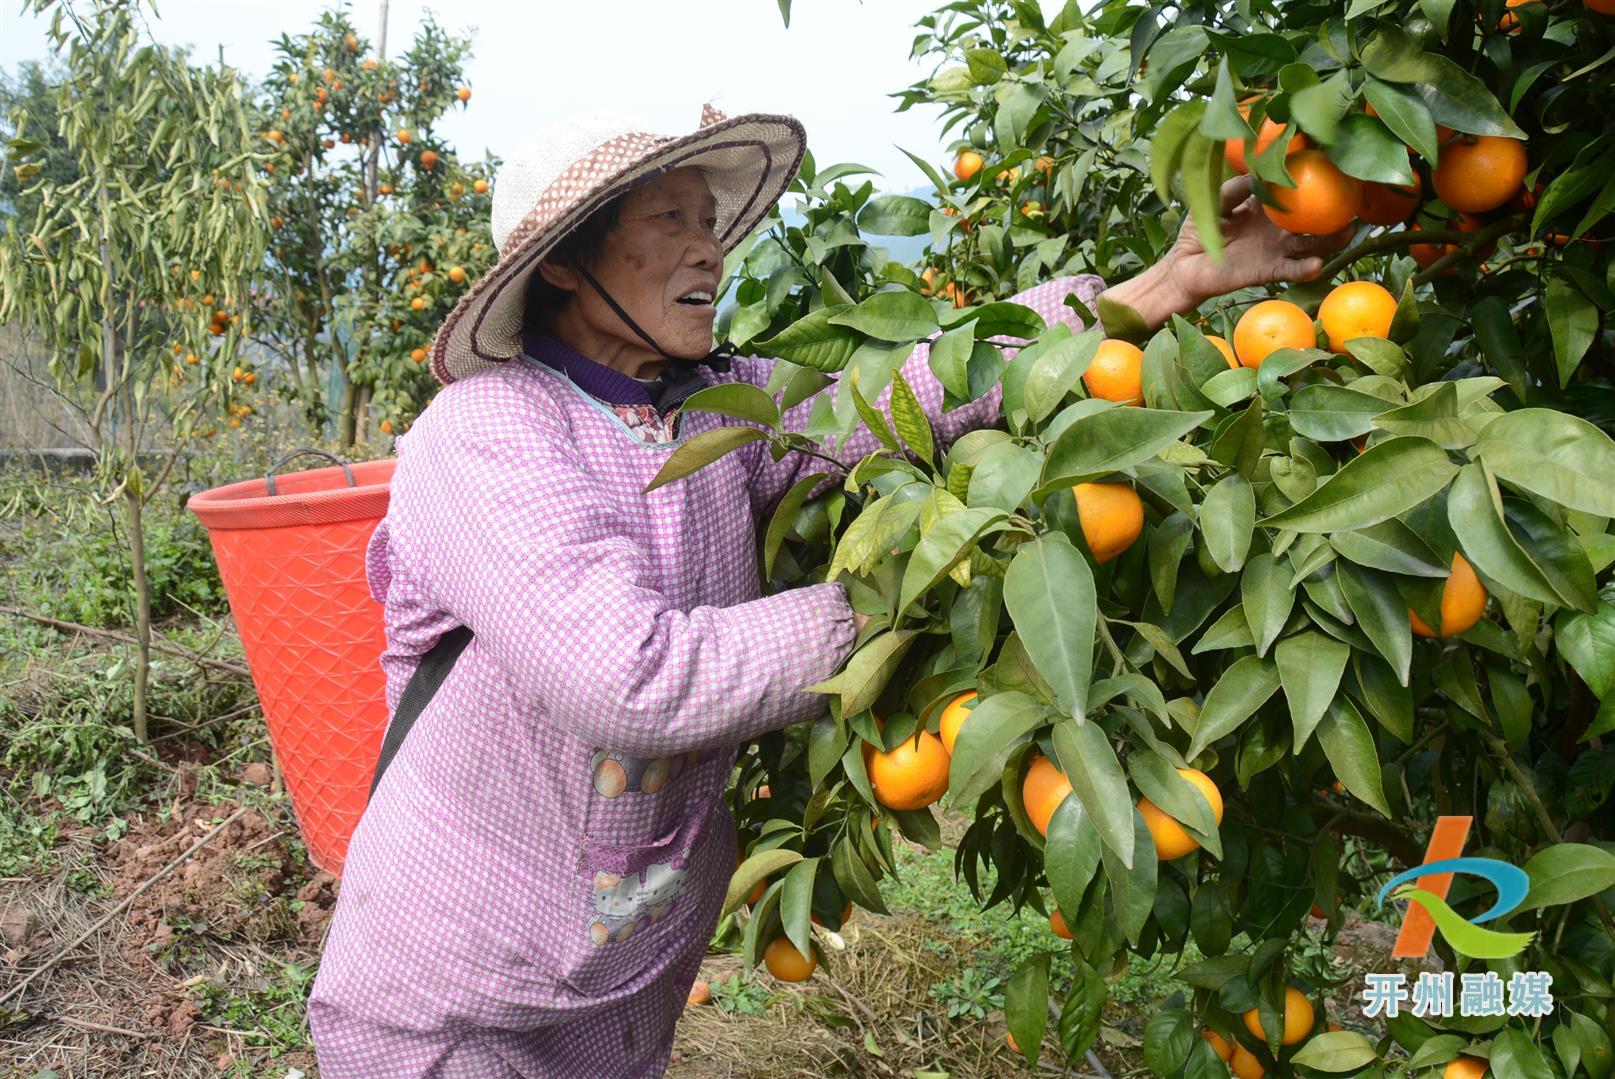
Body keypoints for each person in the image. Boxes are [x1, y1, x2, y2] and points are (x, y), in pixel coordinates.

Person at [306, 104, 1346, 1077]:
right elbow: (631, 678)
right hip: (455, 1002)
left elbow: (921, 389)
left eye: (710, 222)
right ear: (569, 263)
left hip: (625, 979)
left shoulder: (718, 409)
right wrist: (903, 600)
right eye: (668, 219)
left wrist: (1162, 285)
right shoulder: (489, 433)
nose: (708, 246)